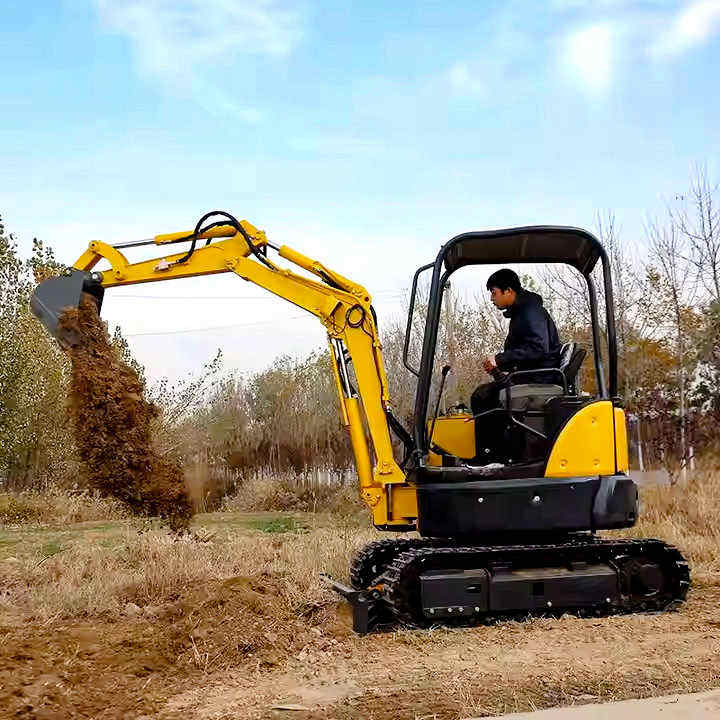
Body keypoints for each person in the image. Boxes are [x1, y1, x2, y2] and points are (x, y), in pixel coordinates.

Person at [471, 269, 561, 460]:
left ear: (508, 291)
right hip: (532, 374)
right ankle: (499, 455)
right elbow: (524, 352)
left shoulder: (530, 312)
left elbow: (539, 348)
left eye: (494, 293)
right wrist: (498, 366)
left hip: (540, 378)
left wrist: (500, 360)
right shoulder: (522, 312)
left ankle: (491, 458)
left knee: (483, 396)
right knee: (485, 394)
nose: (492, 299)